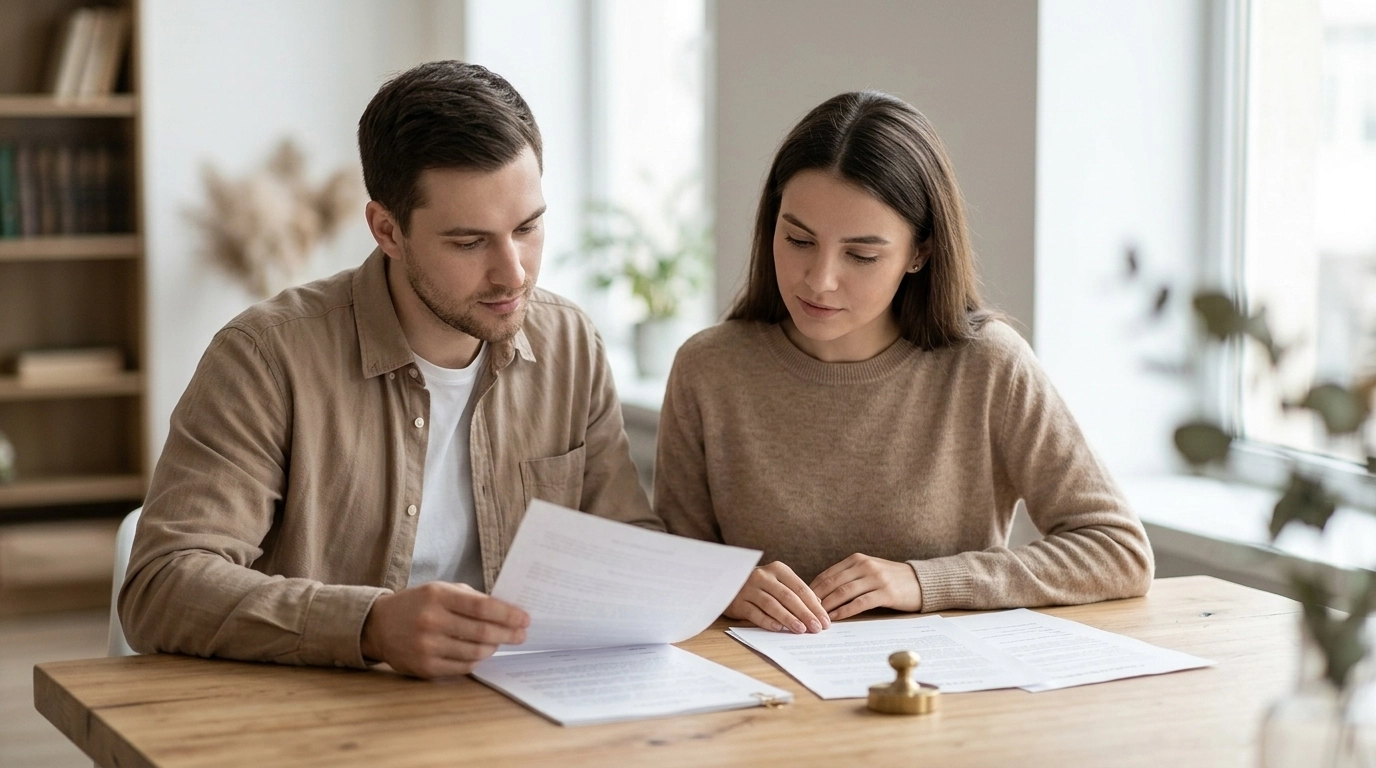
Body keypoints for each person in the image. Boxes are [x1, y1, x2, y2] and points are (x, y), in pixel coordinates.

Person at [120, 61, 658, 678]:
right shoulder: (266, 357)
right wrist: (369, 626)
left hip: (525, 705)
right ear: (387, 230)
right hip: (324, 717)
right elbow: (161, 587)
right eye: (469, 242)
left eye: (528, 228)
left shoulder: (570, 344)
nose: (514, 273)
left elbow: (626, 546)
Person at [655, 91, 1153, 635]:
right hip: (761, 698)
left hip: (941, 697)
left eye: (862, 255)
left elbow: (1118, 550)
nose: (819, 278)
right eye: (798, 239)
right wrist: (723, 584)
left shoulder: (987, 366)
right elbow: (672, 562)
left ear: (921, 252)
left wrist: (923, 582)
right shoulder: (708, 369)